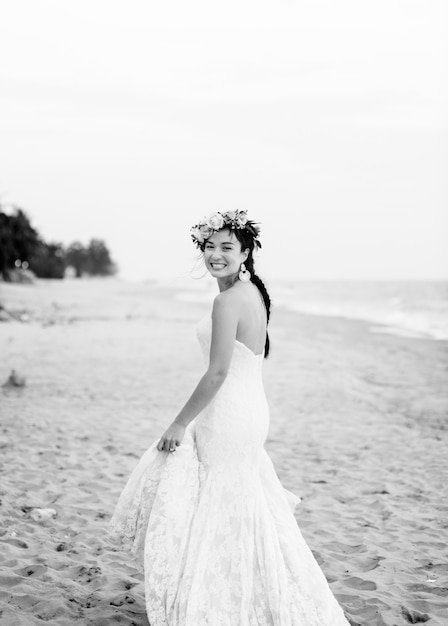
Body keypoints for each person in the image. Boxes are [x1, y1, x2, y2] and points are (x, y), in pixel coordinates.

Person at [110, 210, 351, 625]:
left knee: (221, 504)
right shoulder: (253, 292)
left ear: (245, 252)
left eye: (227, 247)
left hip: (229, 415)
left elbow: (218, 372)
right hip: (248, 410)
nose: (216, 255)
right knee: (241, 504)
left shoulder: (227, 300)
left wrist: (179, 423)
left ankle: (218, 601)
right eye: (210, 246)